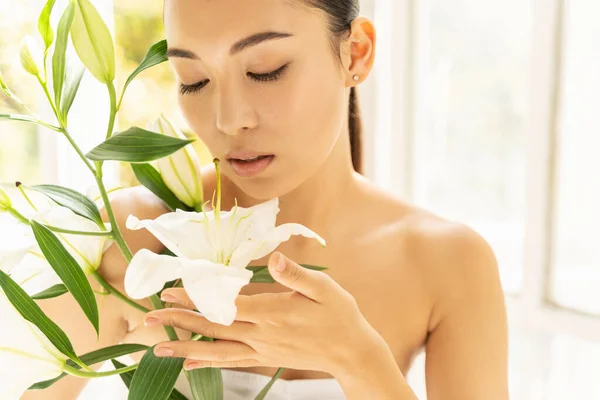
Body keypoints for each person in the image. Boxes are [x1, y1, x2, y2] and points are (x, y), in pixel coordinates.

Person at [21, 0, 509, 399]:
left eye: (266, 70)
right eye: (193, 78)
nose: (229, 119)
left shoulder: (448, 263)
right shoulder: (127, 240)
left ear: (355, 53)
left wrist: (360, 360)